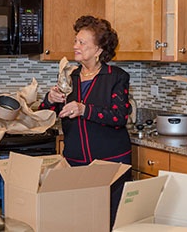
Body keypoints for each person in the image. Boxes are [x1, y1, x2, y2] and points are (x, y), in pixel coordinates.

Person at [38, 15, 132, 229]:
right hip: (75, 161)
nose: (75, 46)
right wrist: (50, 99)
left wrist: (84, 109)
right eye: (75, 41)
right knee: (79, 221)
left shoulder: (116, 76)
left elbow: (119, 117)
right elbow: (46, 114)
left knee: (110, 221)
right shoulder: (69, 76)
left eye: (82, 42)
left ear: (98, 49)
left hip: (110, 163)